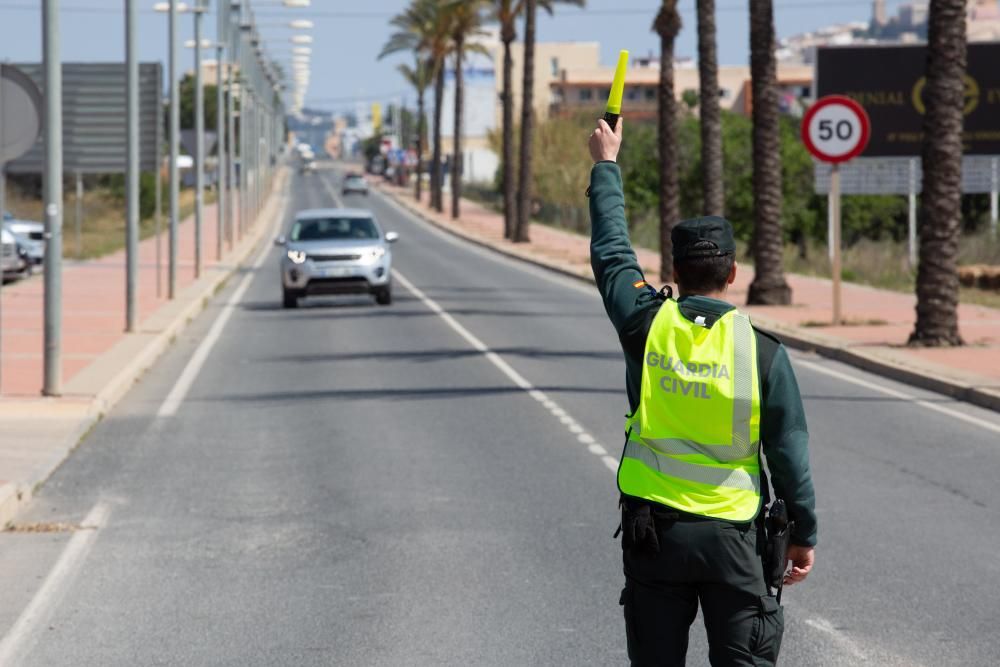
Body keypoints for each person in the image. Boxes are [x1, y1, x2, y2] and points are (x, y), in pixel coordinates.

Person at [587, 117, 817, 666]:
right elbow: (789, 455)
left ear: (674, 270)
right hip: (735, 541)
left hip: (655, 537)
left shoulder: (647, 325)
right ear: (734, 272)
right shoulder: (763, 352)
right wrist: (802, 533)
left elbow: (613, 254)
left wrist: (605, 165)